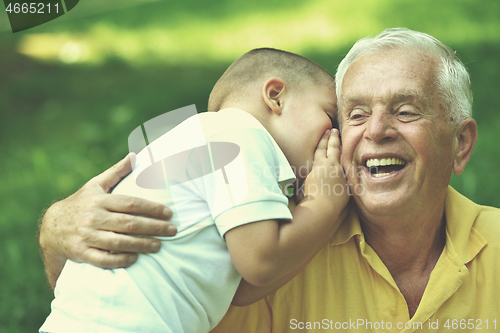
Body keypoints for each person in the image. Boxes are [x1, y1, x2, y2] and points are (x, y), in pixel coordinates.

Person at [38, 28, 500, 332]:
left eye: (405, 111)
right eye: (350, 116)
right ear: (275, 97)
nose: (372, 133)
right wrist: (56, 230)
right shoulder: (255, 170)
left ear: (460, 144)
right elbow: (250, 270)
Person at [39, 48, 349, 333]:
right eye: (330, 116)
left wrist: (324, 219)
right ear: (275, 96)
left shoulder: (205, 139)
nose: (337, 134)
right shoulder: (239, 135)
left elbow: (240, 289)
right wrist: (324, 201)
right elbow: (261, 261)